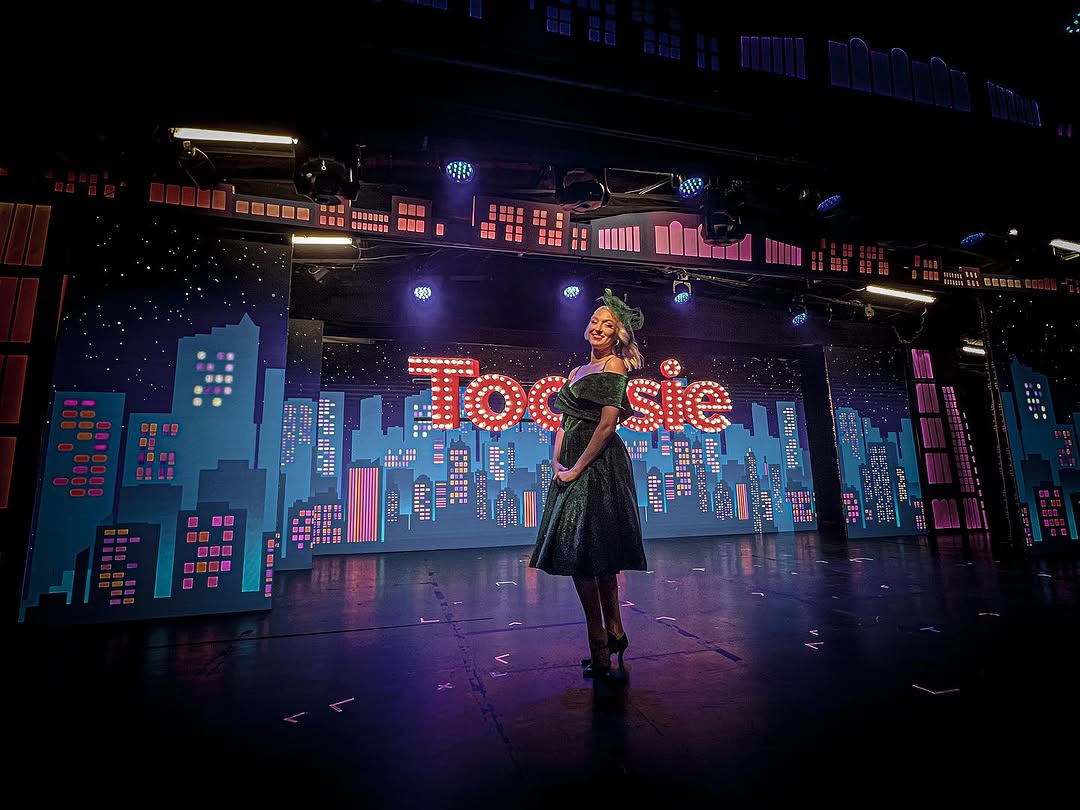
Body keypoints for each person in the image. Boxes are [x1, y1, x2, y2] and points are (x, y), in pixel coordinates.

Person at [530, 289, 648, 677]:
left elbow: (607, 424)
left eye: (607, 324)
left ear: (618, 334)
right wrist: (556, 459)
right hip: (571, 462)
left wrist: (578, 468)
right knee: (593, 554)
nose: (598, 328)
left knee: (585, 556)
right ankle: (614, 632)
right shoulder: (576, 372)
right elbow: (565, 422)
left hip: (599, 464)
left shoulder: (614, 364)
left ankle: (599, 642)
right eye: (595, 321)